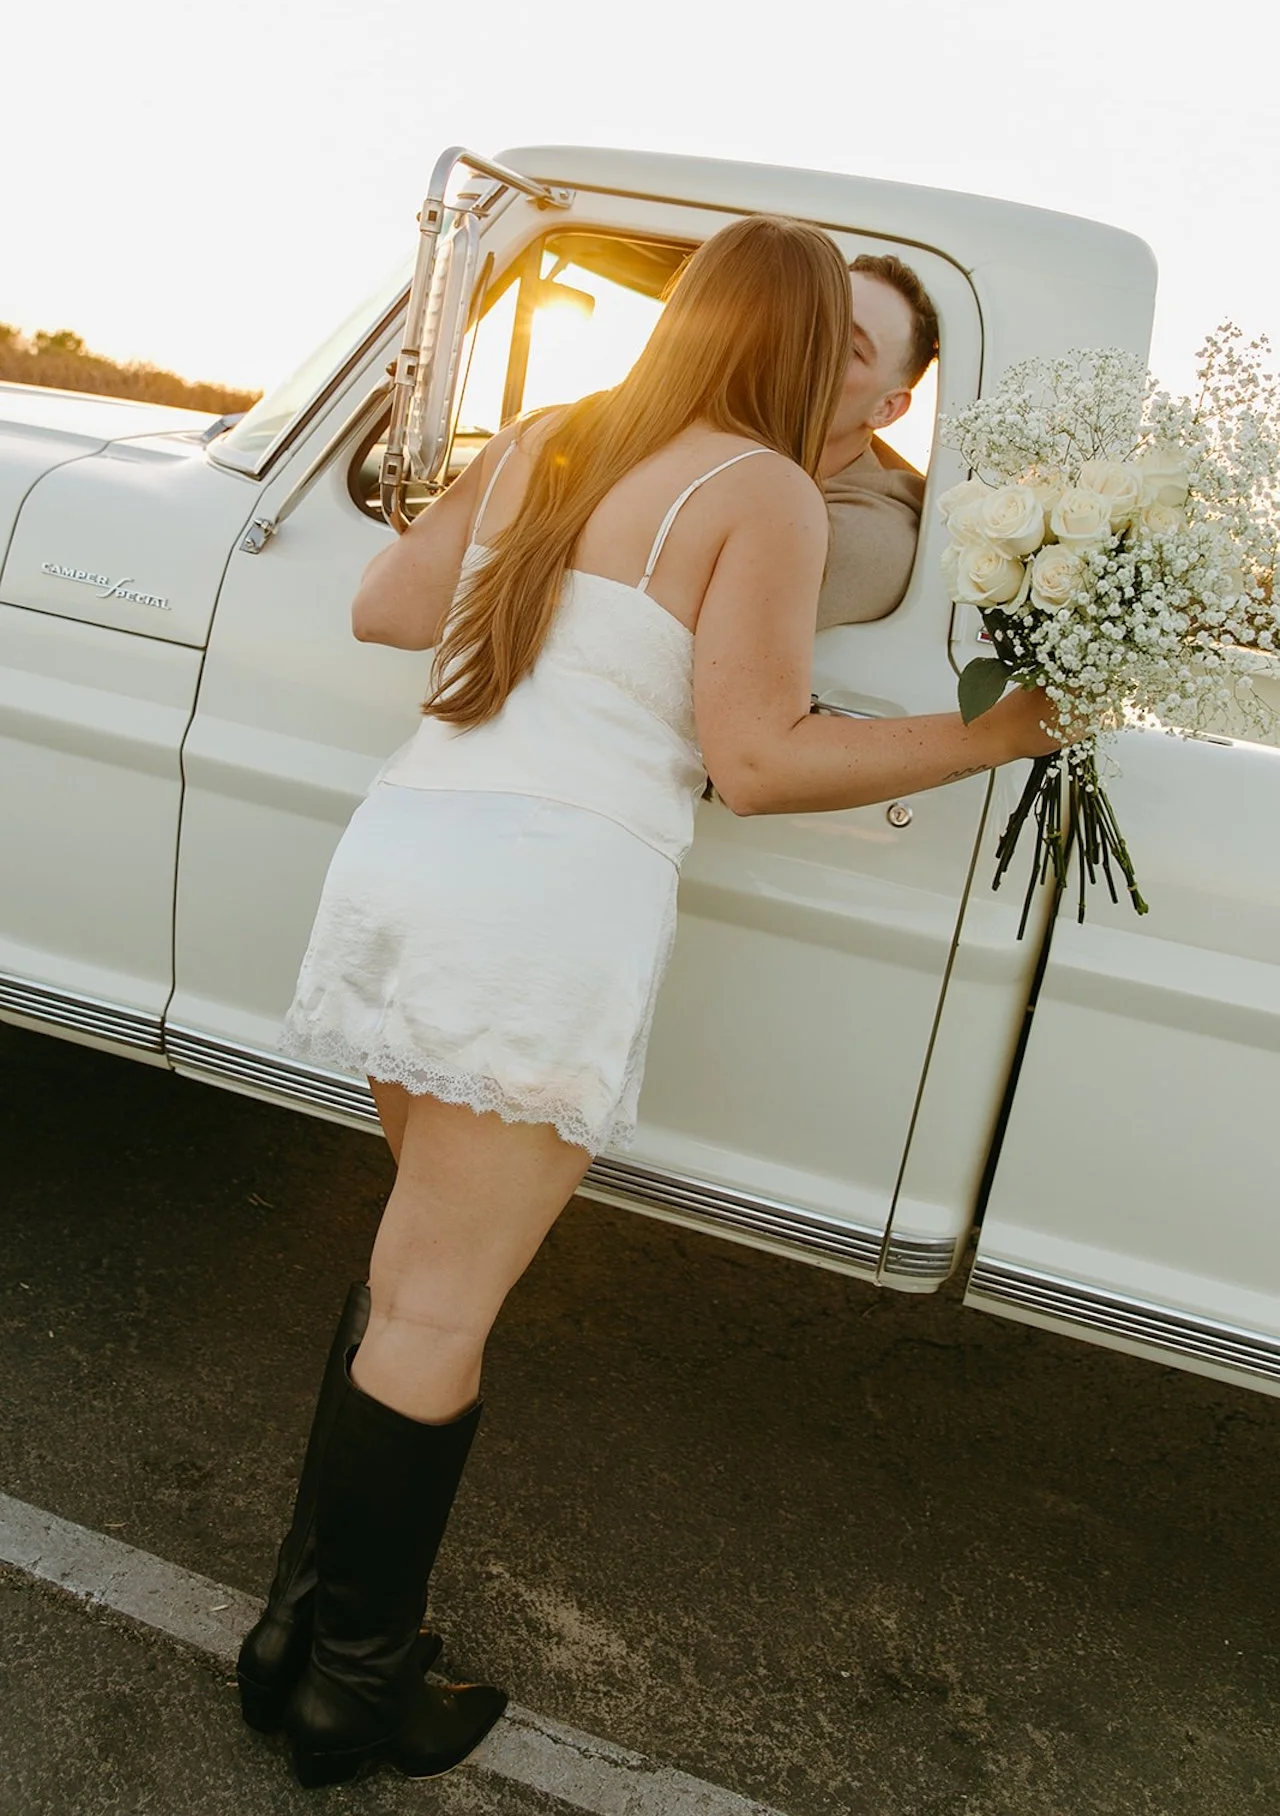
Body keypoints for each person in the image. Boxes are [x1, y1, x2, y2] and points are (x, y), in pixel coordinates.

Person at [235, 216, 1059, 1791]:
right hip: (543, 898)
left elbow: (393, 611)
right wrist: (991, 734)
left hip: (414, 849)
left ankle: (296, 1633)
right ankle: (356, 1687)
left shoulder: (554, 434)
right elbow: (758, 759)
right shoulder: (759, 493)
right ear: (812, 350)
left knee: (406, 1273)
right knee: (437, 1306)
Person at [817, 253, 940, 626]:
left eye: (850, 349)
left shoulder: (867, 535)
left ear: (887, 409)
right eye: (812, 321)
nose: (809, 345)